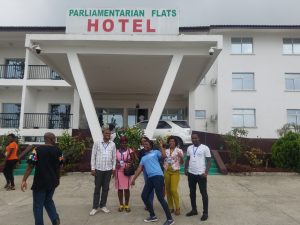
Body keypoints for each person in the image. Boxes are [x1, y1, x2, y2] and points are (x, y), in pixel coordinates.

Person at [21, 132, 63, 225]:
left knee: (38, 205)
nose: (55, 140)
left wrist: (24, 180)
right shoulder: (58, 150)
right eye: (54, 138)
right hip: (53, 182)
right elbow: (60, 166)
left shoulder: (37, 150)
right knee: (48, 201)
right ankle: (55, 219)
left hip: (40, 182)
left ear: (45, 139)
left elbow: (30, 166)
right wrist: (58, 179)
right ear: (50, 139)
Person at [131, 140, 175, 225]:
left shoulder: (155, 152)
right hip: (150, 178)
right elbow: (139, 169)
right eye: (143, 144)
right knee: (144, 196)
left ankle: (170, 219)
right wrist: (133, 179)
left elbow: (164, 156)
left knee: (160, 198)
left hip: (158, 176)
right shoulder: (143, 157)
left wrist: (161, 146)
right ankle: (153, 216)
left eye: (147, 144)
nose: (145, 145)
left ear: (151, 146)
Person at [184, 133, 211, 221]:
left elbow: (209, 161)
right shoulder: (189, 148)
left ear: (199, 138)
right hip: (191, 174)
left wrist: (206, 172)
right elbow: (187, 159)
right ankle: (194, 210)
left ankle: (205, 213)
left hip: (201, 174)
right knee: (192, 193)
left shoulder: (205, 148)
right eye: (192, 138)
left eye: (195, 138)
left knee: (204, 194)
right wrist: (185, 169)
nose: (194, 140)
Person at [90, 128, 116, 216]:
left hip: (108, 170)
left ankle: (103, 205)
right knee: (97, 188)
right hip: (98, 169)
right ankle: (95, 207)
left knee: (106, 188)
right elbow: (93, 155)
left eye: (109, 133)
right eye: (106, 133)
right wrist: (93, 168)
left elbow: (114, 157)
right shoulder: (97, 143)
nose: (108, 135)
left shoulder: (113, 144)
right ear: (103, 133)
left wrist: (113, 168)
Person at [160, 136, 184, 216]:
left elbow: (182, 162)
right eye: (170, 141)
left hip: (175, 172)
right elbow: (163, 157)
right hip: (167, 171)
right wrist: (161, 146)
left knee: (173, 190)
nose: (171, 143)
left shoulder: (179, 150)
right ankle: (170, 207)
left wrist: (181, 157)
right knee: (168, 190)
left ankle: (177, 207)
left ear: (176, 143)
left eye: (173, 141)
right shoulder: (166, 150)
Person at [115, 136, 136, 212]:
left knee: (126, 189)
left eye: (125, 142)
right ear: (120, 143)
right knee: (120, 189)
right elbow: (114, 160)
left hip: (127, 171)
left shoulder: (130, 150)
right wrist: (116, 164)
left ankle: (126, 205)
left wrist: (130, 163)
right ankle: (121, 205)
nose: (124, 144)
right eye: (122, 142)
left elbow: (134, 160)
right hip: (118, 171)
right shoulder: (116, 151)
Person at [138, 136, 154, 210]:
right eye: (142, 141)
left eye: (145, 141)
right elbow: (140, 163)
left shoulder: (153, 150)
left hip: (153, 171)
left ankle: (150, 203)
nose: (144, 142)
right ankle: (148, 203)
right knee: (147, 187)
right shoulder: (141, 152)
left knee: (151, 187)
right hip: (145, 171)